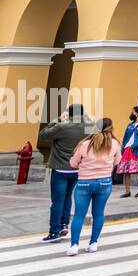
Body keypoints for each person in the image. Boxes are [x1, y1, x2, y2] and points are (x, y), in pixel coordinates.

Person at [36, 104, 92, 244]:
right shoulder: (88, 127)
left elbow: (43, 135)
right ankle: (63, 225)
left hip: (60, 169)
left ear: (70, 114)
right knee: (67, 196)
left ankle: (54, 232)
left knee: (57, 201)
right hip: (76, 169)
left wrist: (58, 119)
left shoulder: (62, 126)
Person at [67, 117, 121, 256]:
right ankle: (93, 243)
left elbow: (73, 163)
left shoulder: (85, 144)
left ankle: (74, 245)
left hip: (84, 182)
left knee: (79, 215)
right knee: (98, 214)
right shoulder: (115, 144)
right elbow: (117, 162)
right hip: (104, 182)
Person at [118, 106, 138, 198]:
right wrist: (124, 146)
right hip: (128, 149)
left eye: (133, 112)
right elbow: (125, 137)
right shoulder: (130, 125)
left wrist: (135, 145)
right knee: (126, 171)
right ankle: (127, 191)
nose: (131, 114)